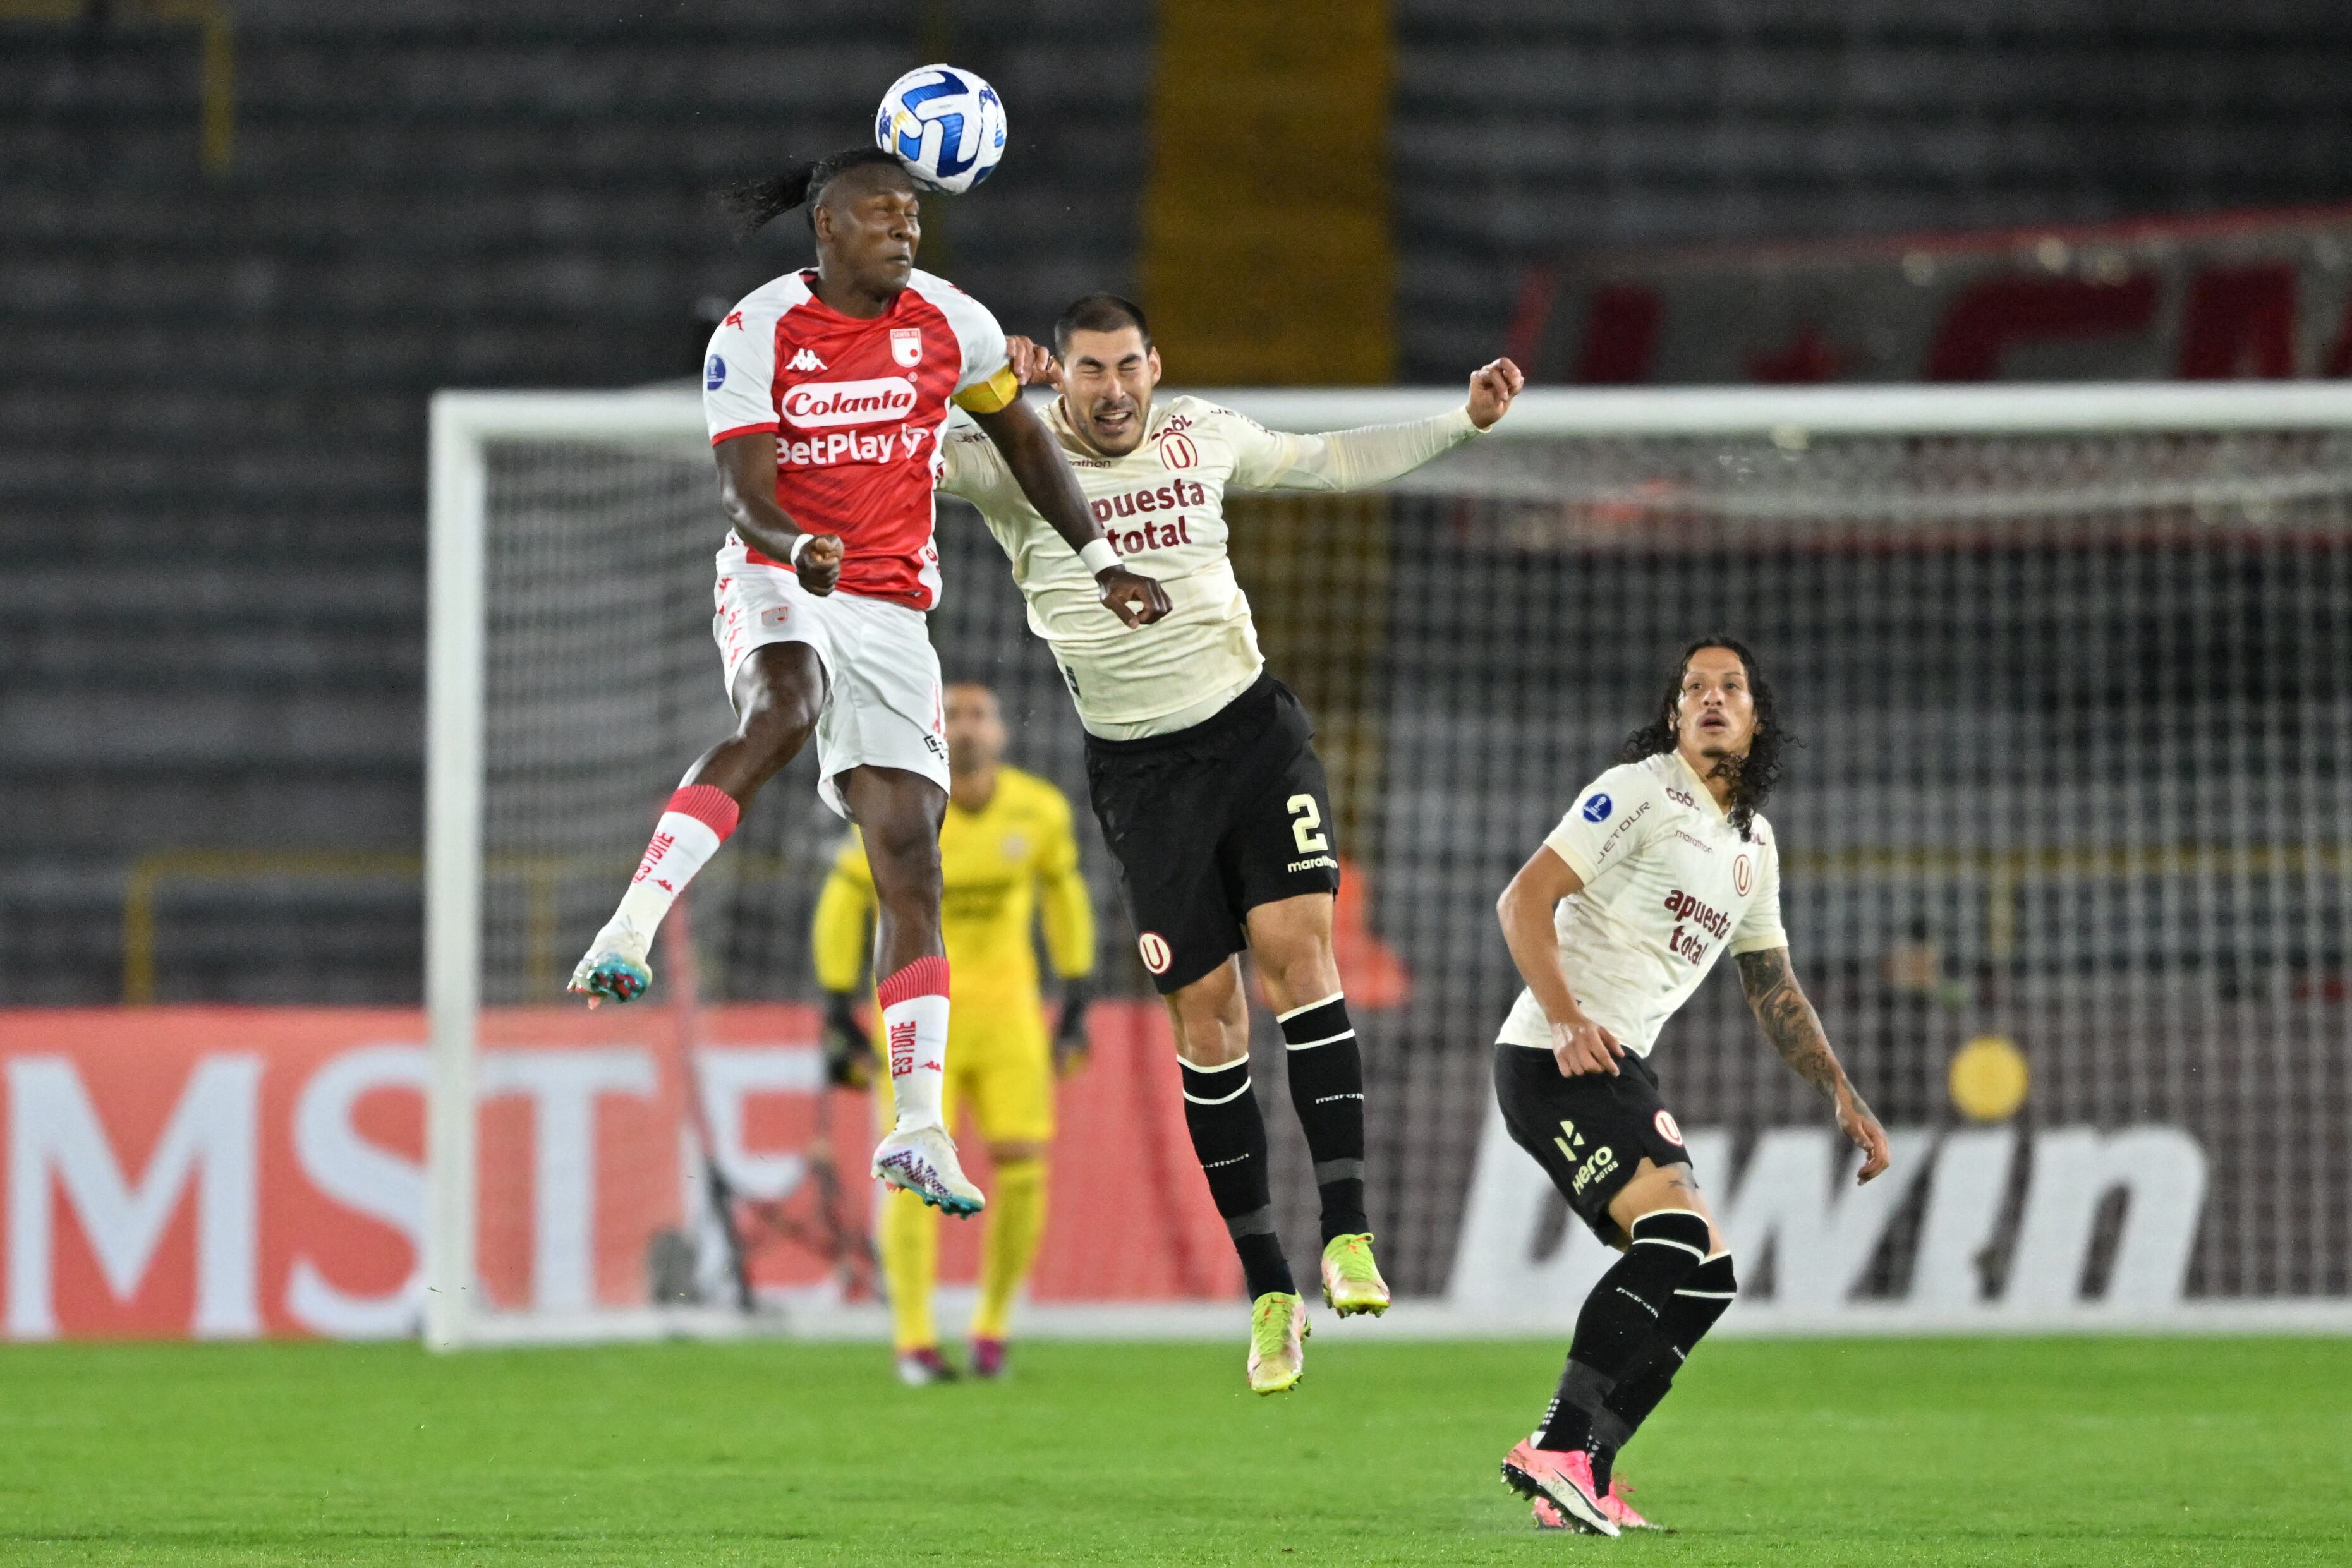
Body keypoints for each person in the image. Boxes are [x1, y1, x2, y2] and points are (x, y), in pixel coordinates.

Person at [937, 292, 1524, 1393]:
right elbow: (888, 454)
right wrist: (971, 371)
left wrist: (1463, 421)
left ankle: (1347, 1229)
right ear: (1056, 374)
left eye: (1127, 367)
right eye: (1088, 371)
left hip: (1254, 736)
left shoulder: (1198, 435)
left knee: (1301, 957)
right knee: (1208, 1027)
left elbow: (1331, 461)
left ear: (1154, 367)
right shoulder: (1004, 454)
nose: (1111, 391)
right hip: (1142, 781)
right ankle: (1268, 1289)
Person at [566, 150, 1168, 1224]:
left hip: (892, 608)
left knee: (908, 850)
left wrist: (1097, 557)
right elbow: (745, 497)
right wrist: (798, 548)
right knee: (783, 707)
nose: (907, 234)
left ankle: (917, 1125)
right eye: (885, 217)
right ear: (828, 227)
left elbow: (1024, 435)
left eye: (916, 219)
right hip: (777, 569)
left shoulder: (953, 323)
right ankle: (629, 925)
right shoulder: (754, 335)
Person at [1489, 637, 1891, 1534]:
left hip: (1618, 1060)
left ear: (1757, 717)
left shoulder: (1753, 846)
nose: (1711, 697)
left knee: (1706, 1276)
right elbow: (1522, 899)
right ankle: (1557, 1441)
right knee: (1672, 1241)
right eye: (1693, 687)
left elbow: (1772, 986)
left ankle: (1585, 1471)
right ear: (1674, 714)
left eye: (1731, 686)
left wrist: (1842, 1091)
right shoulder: (1638, 789)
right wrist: (1563, 1015)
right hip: (1555, 1055)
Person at [810, 682, 1095, 1384]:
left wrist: (1078, 999)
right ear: (936, 724)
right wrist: (835, 1007)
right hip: (917, 1019)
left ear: (999, 733)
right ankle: (913, 1339)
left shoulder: (1039, 810)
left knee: (1023, 1167)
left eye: (980, 715)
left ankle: (993, 1324)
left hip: (1008, 1021)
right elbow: (844, 900)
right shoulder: (902, 805)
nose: (967, 727)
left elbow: (1064, 897)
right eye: (955, 713)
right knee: (909, 1173)